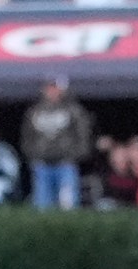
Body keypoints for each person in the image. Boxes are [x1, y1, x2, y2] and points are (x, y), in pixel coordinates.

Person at [21, 76, 90, 211]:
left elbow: (83, 134)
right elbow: (27, 136)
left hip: (66, 163)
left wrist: (76, 155)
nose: (52, 91)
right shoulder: (34, 112)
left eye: (55, 87)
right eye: (49, 87)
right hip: (42, 164)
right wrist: (33, 154)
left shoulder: (74, 110)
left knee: (68, 204)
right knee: (42, 205)